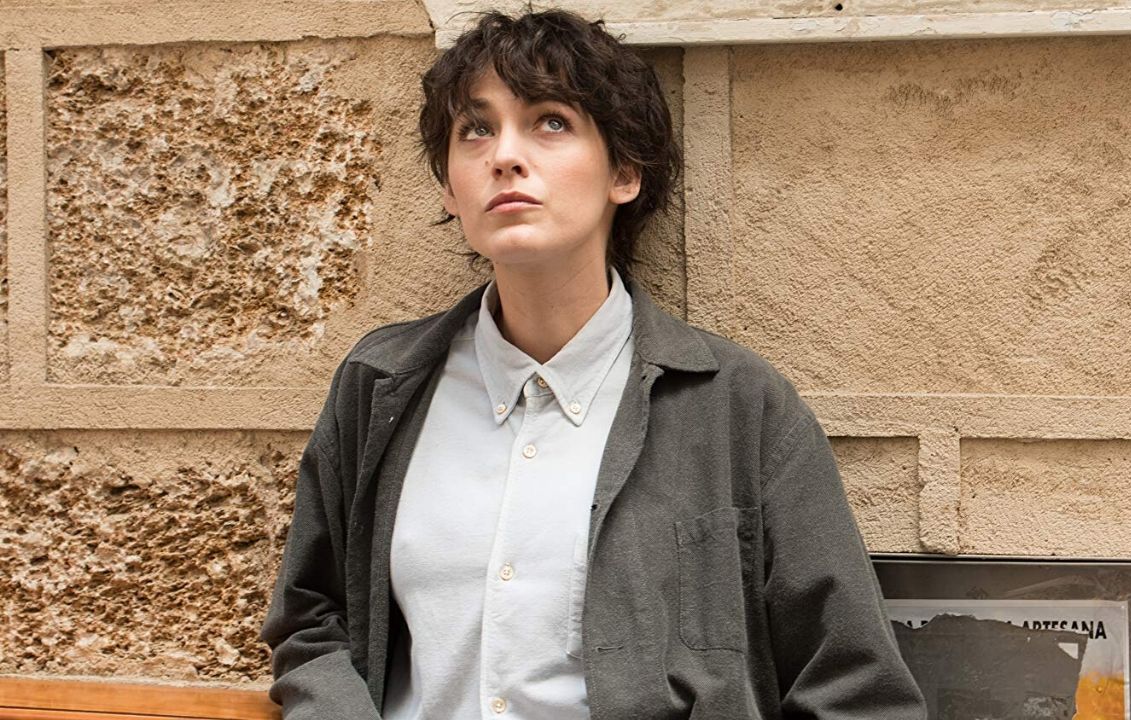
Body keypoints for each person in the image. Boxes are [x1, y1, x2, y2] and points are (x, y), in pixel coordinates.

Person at [259, 8, 925, 719]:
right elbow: (311, 619)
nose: (504, 155)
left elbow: (857, 689)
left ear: (625, 171)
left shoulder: (741, 408)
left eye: (550, 122)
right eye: (475, 129)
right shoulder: (380, 386)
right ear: (450, 188)